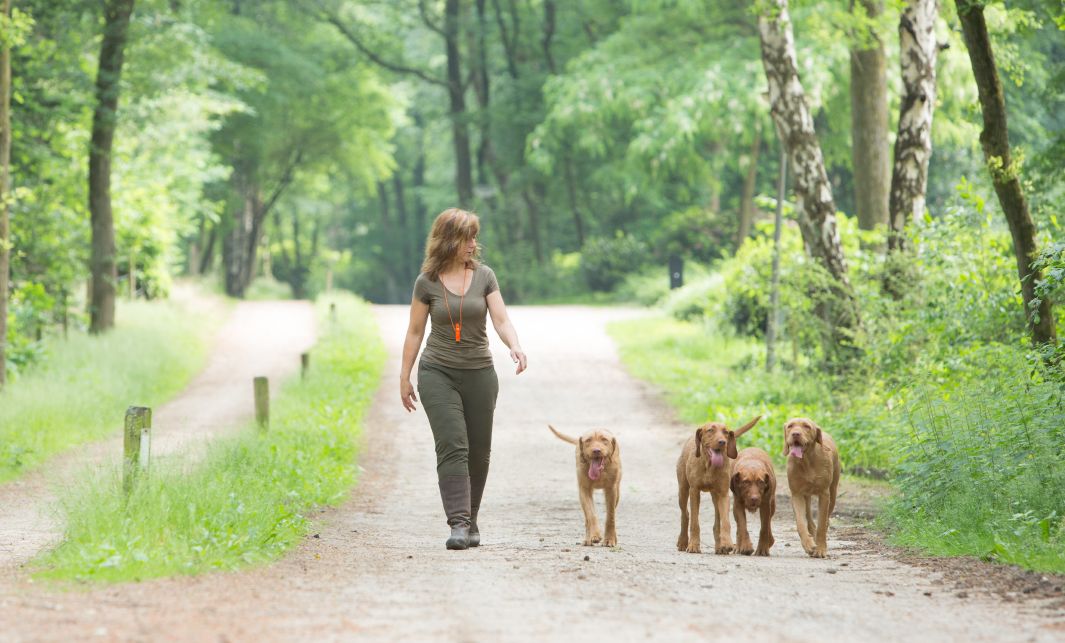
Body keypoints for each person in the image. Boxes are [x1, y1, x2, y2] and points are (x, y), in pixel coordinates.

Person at [400, 208, 528, 550]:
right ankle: (457, 523)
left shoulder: (485, 276)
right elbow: (414, 332)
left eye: (475, 236)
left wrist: (514, 345)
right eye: (466, 237)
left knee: (479, 451)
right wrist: (404, 375)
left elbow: (501, 319)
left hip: (480, 374)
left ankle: (471, 520)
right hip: (437, 371)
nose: (473, 243)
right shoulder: (426, 281)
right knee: (453, 445)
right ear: (448, 239)